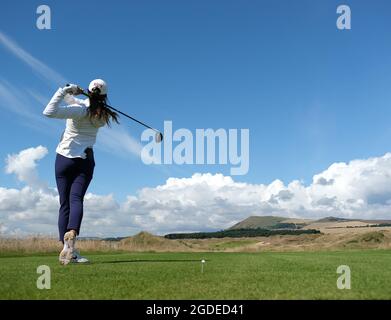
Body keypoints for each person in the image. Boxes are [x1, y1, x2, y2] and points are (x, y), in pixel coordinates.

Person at [43, 79, 119, 265]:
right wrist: (74, 94)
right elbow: (79, 103)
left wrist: (64, 90)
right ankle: (72, 237)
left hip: (63, 160)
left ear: (88, 91)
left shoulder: (79, 111)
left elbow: (49, 111)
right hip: (85, 161)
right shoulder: (101, 116)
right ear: (104, 96)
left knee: (64, 204)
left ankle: (66, 249)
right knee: (76, 199)